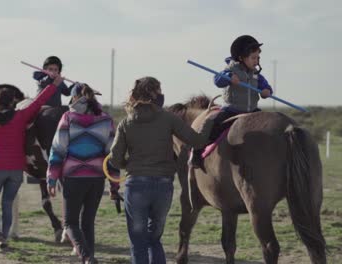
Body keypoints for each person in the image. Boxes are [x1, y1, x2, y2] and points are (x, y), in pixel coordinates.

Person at [109, 77, 210, 264]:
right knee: (154, 240)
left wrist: (130, 165)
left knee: (138, 242)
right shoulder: (168, 118)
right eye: (160, 90)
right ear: (154, 93)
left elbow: (115, 159)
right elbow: (197, 141)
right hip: (163, 186)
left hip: (136, 185)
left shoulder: (126, 123)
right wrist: (209, 120)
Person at [0, 75, 62, 249]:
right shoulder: (21, 117)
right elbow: (37, 102)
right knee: (7, 204)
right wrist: (54, 85)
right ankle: (3, 239)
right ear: (13, 102)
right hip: (16, 170)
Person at [47, 83, 119, 264]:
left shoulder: (68, 117)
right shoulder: (106, 120)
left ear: (73, 98)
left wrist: (52, 178)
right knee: (87, 223)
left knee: (70, 223)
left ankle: (87, 258)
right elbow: (112, 155)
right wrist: (114, 184)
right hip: (97, 178)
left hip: (73, 178)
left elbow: (58, 150)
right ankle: (90, 258)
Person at [189, 35, 273, 168]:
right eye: (253, 58)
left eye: (258, 58)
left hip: (252, 111)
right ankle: (196, 152)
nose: (256, 61)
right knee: (210, 122)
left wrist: (267, 91)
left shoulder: (257, 75)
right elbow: (217, 80)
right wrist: (228, 78)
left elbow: (265, 87)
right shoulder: (230, 70)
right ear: (241, 58)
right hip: (231, 110)